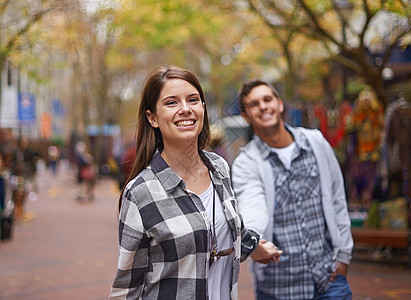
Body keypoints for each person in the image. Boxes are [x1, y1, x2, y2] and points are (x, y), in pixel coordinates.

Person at [109, 66, 282, 300]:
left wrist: (255, 248)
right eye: (171, 103)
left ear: (203, 108)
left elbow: (229, 229)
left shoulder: (219, 167)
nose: (185, 109)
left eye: (193, 100)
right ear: (152, 117)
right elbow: (126, 287)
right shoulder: (141, 192)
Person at [231, 79, 353, 300]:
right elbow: (252, 203)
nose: (263, 107)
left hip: (330, 280)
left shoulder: (315, 142)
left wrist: (343, 256)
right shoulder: (246, 162)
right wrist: (254, 241)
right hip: (278, 287)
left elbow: (337, 199)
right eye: (254, 104)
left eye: (267, 99)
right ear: (246, 116)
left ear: (279, 104)